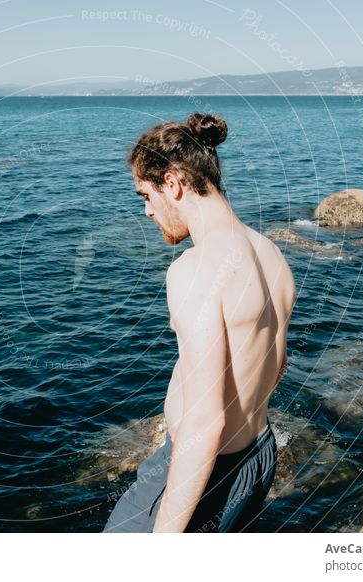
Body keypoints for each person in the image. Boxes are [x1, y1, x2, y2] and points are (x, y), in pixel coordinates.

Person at [103, 113, 296, 533]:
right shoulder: (270, 255)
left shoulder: (197, 268)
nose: (147, 210)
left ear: (172, 184)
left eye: (146, 194)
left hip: (207, 471)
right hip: (258, 456)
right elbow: (276, 364)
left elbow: (207, 422)